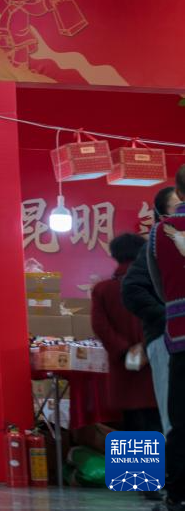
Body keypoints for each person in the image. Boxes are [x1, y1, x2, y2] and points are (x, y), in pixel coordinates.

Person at [122, 185, 182, 434]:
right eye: (179, 206)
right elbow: (132, 290)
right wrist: (168, 316)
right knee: (175, 417)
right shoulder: (155, 247)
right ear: (163, 215)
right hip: (166, 340)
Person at [91, 233, 161, 437]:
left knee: (130, 427)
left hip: (123, 367)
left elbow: (100, 326)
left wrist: (125, 351)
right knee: (158, 424)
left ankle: (132, 460)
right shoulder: (157, 286)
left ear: (115, 255)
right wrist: (146, 348)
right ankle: (162, 460)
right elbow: (165, 320)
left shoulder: (103, 289)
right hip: (154, 364)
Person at [157, 166, 185, 511]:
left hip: (174, 335)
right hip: (160, 340)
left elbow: (156, 282)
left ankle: (173, 492)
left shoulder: (160, 233)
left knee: (178, 419)